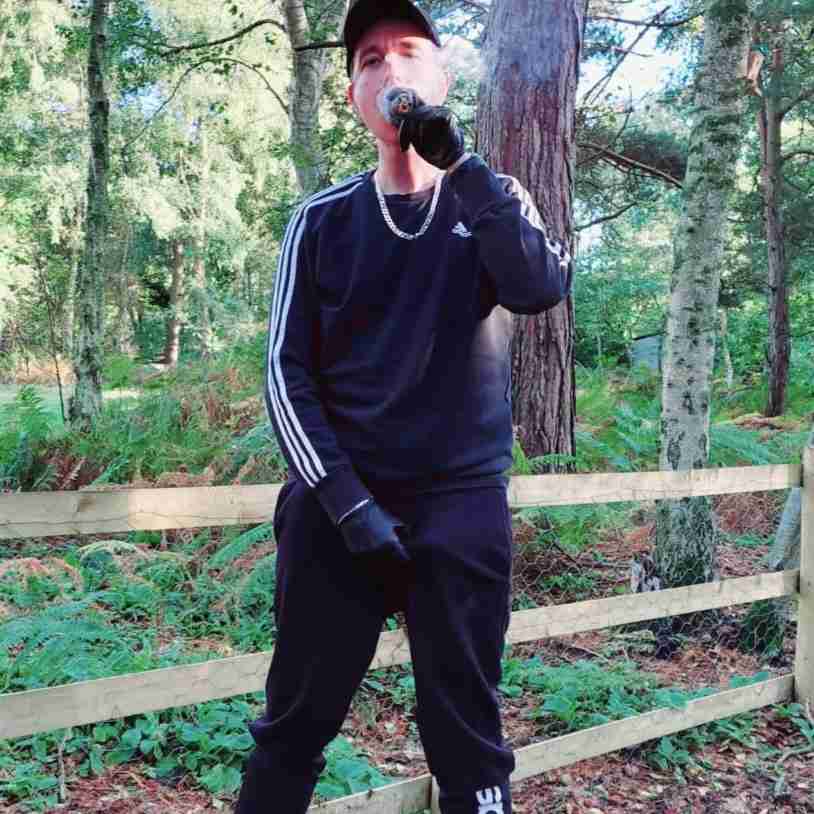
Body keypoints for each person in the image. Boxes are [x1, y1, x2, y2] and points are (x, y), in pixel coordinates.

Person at [234, 1, 573, 812]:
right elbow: (284, 373)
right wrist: (347, 504)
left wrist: (463, 167)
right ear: (355, 94)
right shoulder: (320, 221)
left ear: (441, 78)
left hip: (461, 508)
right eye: (370, 59)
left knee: (469, 738)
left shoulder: (494, 197)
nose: (391, 69)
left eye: (410, 51)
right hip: (339, 511)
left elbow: (538, 286)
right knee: (293, 727)